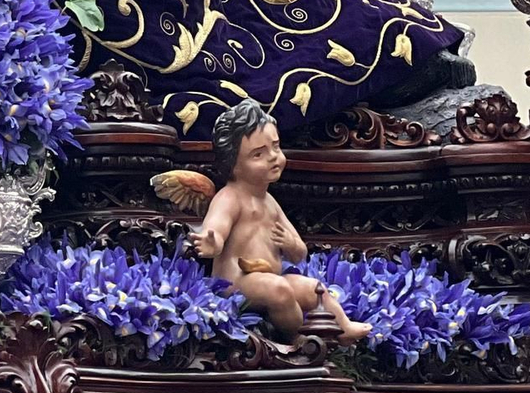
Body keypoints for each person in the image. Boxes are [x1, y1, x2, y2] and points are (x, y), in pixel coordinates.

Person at [153, 100, 371, 343]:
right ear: (232, 165)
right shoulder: (230, 198)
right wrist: (211, 242)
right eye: (258, 154)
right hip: (235, 283)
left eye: (275, 147)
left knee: (314, 288)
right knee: (280, 291)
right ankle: (298, 339)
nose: (272, 158)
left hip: (271, 277)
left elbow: (299, 254)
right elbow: (216, 229)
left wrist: (290, 243)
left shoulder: (269, 202)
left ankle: (344, 327)